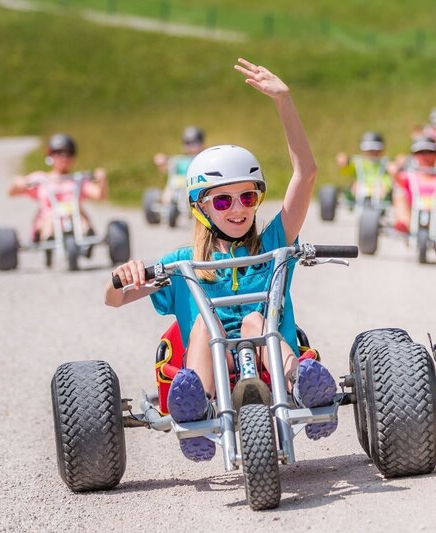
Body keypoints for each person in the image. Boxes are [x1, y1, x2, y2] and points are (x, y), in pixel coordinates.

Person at [106, 58, 338, 462]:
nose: (238, 209)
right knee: (203, 325)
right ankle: (195, 409)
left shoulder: (273, 245)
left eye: (247, 197)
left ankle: (302, 386)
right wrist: (123, 277)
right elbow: (114, 300)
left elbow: (306, 174)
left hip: (269, 358)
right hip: (209, 368)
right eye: (223, 201)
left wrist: (284, 102)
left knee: (254, 321)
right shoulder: (183, 264)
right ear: (201, 207)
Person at [8, 133, 107, 242]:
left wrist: (102, 180)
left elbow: (99, 195)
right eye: (59, 153)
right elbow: (13, 192)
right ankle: (48, 239)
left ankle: (87, 235)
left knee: (77, 210)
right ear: (50, 155)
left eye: (69, 153)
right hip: (48, 220)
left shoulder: (77, 180)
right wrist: (18, 182)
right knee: (51, 214)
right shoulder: (41, 178)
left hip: (74, 219)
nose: (64, 157)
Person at [390, 136, 436, 237]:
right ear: (414, 156)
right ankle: (405, 224)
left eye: (429, 152)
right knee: (399, 195)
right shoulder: (410, 175)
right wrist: (398, 163)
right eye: (420, 153)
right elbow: (395, 174)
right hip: (413, 209)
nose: (425, 157)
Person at [334, 131, 393, 205]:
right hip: (362, 186)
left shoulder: (385, 163)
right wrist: (344, 162)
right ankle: (355, 203)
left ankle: (380, 203)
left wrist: (394, 166)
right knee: (355, 186)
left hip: (379, 188)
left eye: (376, 151)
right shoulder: (358, 163)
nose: (373, 153)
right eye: (370, 151)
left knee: (384, 188)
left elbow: (389, 177)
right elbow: (346, 170)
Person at [153, 126, 205, 208]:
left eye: (194, 143)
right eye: (188, 143)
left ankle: (188, 204)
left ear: (201, 144)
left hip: (191, 185)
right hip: (175, 186)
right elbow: (164, 165)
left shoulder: (202, 159)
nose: (190, 146)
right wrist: (162, 160)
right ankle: (166, 204)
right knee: (170, 188)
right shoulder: (178, 160)